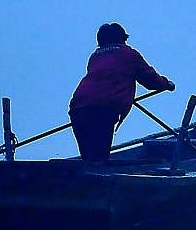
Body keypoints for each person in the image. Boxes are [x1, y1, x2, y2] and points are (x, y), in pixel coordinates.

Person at [68, 23, 175, 164]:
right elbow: (150, 79)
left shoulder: (95, 57)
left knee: (89, 159)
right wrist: (167, 84)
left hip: (78, 108)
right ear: (122, 39)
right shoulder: (128, 54)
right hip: (103, 109)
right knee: (99, 160)